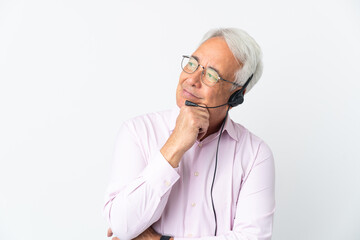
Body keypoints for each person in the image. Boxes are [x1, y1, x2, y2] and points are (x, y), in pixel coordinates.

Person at [103, 28, 275, 240]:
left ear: (236, 96)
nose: (192, 79)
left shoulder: (255, 154)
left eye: (212, 75)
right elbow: (122, 226)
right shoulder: (137, 131)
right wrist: (174, 145)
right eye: (192, 64)